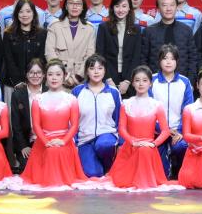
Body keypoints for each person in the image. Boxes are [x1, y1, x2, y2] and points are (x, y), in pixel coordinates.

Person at [23, 60, 89, 188]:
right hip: (43, 142)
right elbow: (36, 126)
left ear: (64, 76)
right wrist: (46, 142)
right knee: (50, 152)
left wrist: (63, 141)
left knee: (55, 152)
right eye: (50, 74)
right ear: (45, 76)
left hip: (65, 141)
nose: (54, 78)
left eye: (58, 74)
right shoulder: (38, 99)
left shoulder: (71, 99)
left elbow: (74, 125)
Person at [107, 66, 173, 190]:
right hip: (130, 148)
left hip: (148, 149)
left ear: (150, 83)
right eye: (137, 80)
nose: (141, 83)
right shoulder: (126, 104)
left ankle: (144, 179)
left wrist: (153, 144)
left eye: (144, 80)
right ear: (132, 83)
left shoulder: (156, 105)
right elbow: (121, 129)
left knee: (144, 151)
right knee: (121, 182)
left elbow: (165, 131)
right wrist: (133, 142)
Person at [72, 55, 122, 177]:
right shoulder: (77, 91)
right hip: (84, 139)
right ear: (86, 71)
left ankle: (109, 166)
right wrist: (74, 142)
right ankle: (98, 167)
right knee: (93, 174)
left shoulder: (113, 92)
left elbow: (119, 119)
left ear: (105, 71)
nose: (96, 72)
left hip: (107, 135)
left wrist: (121, 143)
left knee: (104, 145)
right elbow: (71, 120)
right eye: (92, 68)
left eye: (100, 68)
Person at [151, 44, 194, 177]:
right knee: (162, 175)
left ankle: (178, 167)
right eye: (165, 58)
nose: (168, 62)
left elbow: (188, 110)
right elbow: (148, 110)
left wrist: (180, 131)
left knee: (181, 146)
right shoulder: (151, 80)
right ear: (159, 61)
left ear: (177, 61)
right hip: (157, 131)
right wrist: (162, 129)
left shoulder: (185, 82)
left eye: (172, 58)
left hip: (178, 131)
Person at [140, 0, 200, 80]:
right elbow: (143, 59)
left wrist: (189, 80)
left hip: (181, 80)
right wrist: (148, 81)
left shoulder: (186, 30)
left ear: (177, 7)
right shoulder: (149, 31)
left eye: (172, 5)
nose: (168, 9)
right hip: (155, 81)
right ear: (158, 9)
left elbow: (192, 58)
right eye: (164, 5)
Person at [44, 0, 95, 85]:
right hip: (57, 79)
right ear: (66, 6)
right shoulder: (54, 25)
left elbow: (90, 55)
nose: (74, 6)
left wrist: (78, 77)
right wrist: (62, 75)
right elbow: (50, 53)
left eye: (78, 4)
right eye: (71, 3)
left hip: (80, 80)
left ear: (83, 7)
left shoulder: (89, 29)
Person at [96, 0, 143, 94]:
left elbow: (136, 57)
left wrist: (127, 81)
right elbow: (100, 55)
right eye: (117, 6)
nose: (121, 10)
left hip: (129, 78)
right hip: (108, 76)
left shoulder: (136, 29)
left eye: (124, 6)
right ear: (112, 8)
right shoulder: (104, 27)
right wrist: (108, 79)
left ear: (129, 8)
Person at [1, 0, 48, 93]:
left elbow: (41, 59)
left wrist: (33, 79)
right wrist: (17, 82)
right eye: (21, 11)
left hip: (36, 82)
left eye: (28, 11)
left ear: (34, 13)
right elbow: (8, 60)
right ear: (16, 14)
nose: (25, 15)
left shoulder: (42, 34)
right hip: (12, 84)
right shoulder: (8, 34)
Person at [8, 57, 45, 172]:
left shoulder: (48, 92)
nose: (35, 76)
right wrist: (23, 146)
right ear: (27, 75)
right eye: (32, 72)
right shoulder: (17, 95)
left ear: (43, 75)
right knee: (28, 169)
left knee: (45, 167)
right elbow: (16, 124)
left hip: (45, 141)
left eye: (38, 72)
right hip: (26, 142)